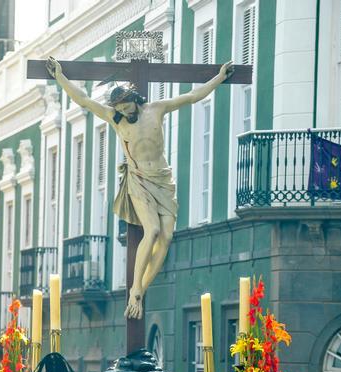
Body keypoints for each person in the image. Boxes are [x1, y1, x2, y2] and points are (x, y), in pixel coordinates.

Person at [46, 57, 234, 319]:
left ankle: (140, 291)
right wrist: (60, 77)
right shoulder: (116, 119)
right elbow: (84, 101)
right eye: (119, 107)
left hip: (162, 178)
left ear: (135, 98)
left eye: (125, 104)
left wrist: (219, 77)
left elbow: (192, 96)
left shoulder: (156, 109)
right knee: (153, 229)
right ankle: (135, 289)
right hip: (138, 179)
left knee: (167, 236)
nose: (123, 110)